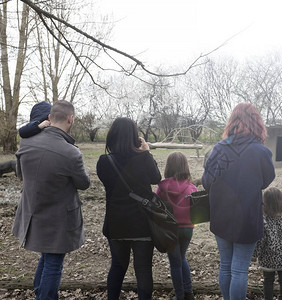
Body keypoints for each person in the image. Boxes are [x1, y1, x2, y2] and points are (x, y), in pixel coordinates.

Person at [12, 100, 90, 300]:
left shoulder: (27, 142)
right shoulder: (71, 153)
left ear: (49, 117)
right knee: (54, 263)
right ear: (70, 119)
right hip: (59, 220)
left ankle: (40, 293)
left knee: (47, 258)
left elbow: (21, 174)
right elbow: (84, 183)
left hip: (34, 213)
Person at [202, 102, 276, 300]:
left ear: (232, 122)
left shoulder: (219, 149)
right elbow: (267, 180)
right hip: (247, 217)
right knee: (239, 270)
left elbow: (206, 182)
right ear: (257, 123)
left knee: (226, 266)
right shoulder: (261, 151)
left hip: (221, 215)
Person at [96, 117, 161, 300]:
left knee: (117, 266)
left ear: (112, 136)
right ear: (135, 137)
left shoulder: (104, 162)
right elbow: (156, 178)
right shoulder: (143, 159)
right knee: (143, 269)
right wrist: (146, 153)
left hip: (116, 224)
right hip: (142, 222)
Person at [156, 152, 197, 300]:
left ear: (168, 167)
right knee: (182, 258)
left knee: (175, 263)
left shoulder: (162, 186)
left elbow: (157, 204)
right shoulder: (192, 187)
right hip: (187, 229)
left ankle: (180, 296)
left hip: (170, 230)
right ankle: (189, 292)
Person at [254, 187, 282, 300]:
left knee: (268, 280)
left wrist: (256, 254)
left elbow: (261, 240)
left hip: (268, 257)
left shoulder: (264, 219)